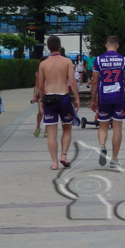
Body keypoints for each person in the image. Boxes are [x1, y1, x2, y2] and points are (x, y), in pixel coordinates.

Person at [90, 35, 125, 168]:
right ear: (118, 46)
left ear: (106, 45)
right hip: (118, 96)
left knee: (103, 125)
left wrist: (93, 99)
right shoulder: (124, 60)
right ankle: (114, 158)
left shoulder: (98, 60)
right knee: (117, 128)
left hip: (104, 97)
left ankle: (102, 146)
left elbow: (95, 82)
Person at [38, 36, 80, 170]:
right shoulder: (67, 62)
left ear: (48, 47)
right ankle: (64, 155)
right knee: (67, 128)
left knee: (52, 132)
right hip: (63, 98)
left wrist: (42, 99)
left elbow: (40, 86)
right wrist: (77, 98)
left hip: (49, 98)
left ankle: (54, 162)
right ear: (60, 46)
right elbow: (73, 82)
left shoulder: (43, 64)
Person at [30, 70, 45, 137]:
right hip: (40, 95)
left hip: (49, 94)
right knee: (41, 111)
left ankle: (47, 129)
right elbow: (36, 86)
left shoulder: (52, 71)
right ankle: (38, 126)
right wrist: (34, 96)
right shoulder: (39, 73)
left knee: (48, 112)